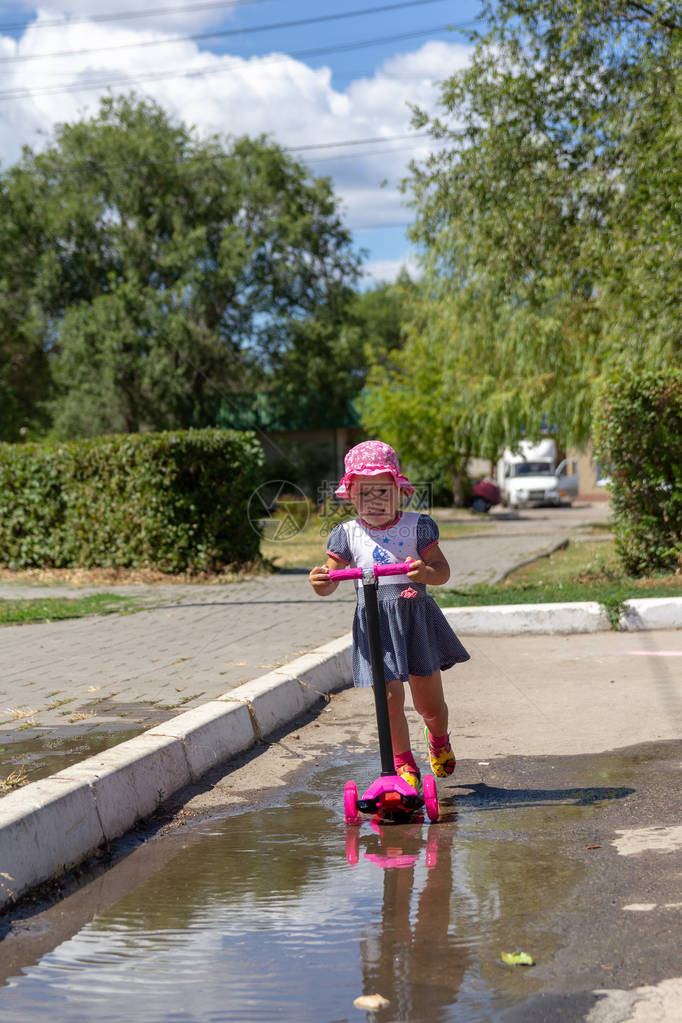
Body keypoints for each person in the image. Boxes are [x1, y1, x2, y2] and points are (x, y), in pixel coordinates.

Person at [309, 439, 470, 792]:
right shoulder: (347, 534)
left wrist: (426, 573)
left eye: (383, 491)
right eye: (365, 493)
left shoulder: (417, 526)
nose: (375, 501)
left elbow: (441, 571)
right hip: (376, 626)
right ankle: (403, 763)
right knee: (389, 701)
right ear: (350, 496)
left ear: (399, 491)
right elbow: (329, 580)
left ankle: (438, 736)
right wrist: (320, 579)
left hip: (414, 619)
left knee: (428, 703)